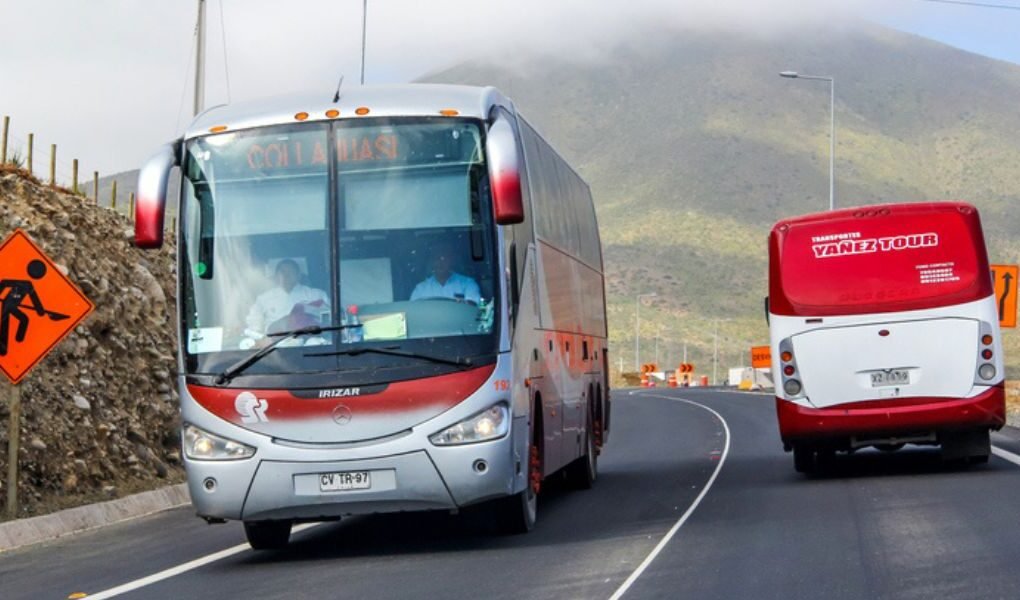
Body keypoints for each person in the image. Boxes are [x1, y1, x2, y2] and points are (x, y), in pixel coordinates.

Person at [243, 259, 330, 345]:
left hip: (309, 344)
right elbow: (254, 325)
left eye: (290, 272)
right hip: (273, 348)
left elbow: (330, 321)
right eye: (282, 272)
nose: (286, 275)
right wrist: (261, 339)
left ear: (299, 275)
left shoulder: (316, 295)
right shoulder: (263, 299)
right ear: (276, 276)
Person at [410, 243, 480, 304]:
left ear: (451, 261)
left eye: (443, 258)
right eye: (436, 258)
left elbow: (472, 309)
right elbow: (413, 311)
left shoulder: (468, 284)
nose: (440, 263)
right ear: (431, 262)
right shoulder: (420, 289)